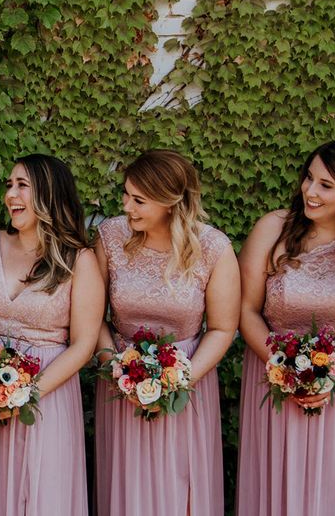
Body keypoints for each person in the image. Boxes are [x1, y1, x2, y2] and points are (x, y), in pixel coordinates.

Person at [237, 138, 335, 515]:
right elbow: (244, 310)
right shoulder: (272, 229)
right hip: (274, 380)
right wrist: (285, 368)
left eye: (326, 185)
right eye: (309, 178)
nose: (310, 191)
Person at [0, 153, 105, 516]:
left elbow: (83, 343)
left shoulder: (79, 261)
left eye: (22, 185)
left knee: (41, 496)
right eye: (9, 185)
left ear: (48, 194)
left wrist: (25, 393)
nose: (10, 195)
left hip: (46, 399)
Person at [95, 150, 240, 516]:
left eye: (139, 200)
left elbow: (223, 327)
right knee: (126, 489)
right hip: (120, 382)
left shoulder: (212, 248)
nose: (127, 206)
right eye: (126, 194)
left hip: (188, 381)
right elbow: (92, 317)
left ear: (171, 202)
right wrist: (116, 367)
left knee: (182, 486)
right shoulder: (110, 236)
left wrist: (180, 380)